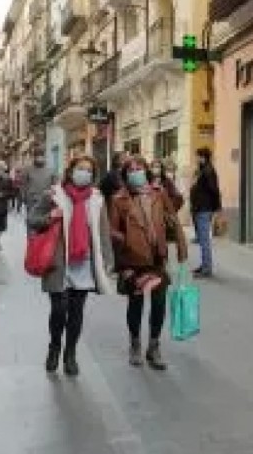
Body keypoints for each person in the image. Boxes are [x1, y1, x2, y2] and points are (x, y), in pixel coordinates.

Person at [27, 155, 114, 376]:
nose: (83, 173)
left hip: (84, 263)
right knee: (59, 309)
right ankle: (54, 346)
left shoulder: (96, 198)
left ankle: (70, 354)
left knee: (76, 312)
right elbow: (32, 219)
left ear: (93, 175)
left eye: (88, 170)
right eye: (79, 168)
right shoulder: (54, 194)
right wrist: (50, 216)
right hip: (59, 262)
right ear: (70, 170)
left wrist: (108, 260)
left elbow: (103, 232)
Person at [110, 157, 187, 369]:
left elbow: (174, 213)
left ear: (146, 171)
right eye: (131, 169)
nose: (136, 172)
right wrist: (122, 252)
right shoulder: (119, 199)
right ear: (125, 174)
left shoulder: (158, 193)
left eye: (139, 168)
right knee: (136, 305)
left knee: (159, 304)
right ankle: (135, 344)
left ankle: (154, 346)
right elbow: (112, 231)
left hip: (157, 259)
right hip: (132, 260)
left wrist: (181, 247)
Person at [189, 147, 221, 277]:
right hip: (200, 208)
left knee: (204, 240)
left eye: (197, 156)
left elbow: (214, 190)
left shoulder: (208, 171)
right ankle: (204, 265)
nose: (196, 158)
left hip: (204, 208)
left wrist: (217, 208)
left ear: (203, 157)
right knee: (202, 240)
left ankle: (207, 269)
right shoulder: (202, 170)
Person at [22, 146, 57, 212]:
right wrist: (25, 198)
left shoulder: (50, 170)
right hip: (32, 203)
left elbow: (55, 186)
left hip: (46, 203)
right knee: (32, 221)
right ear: (34, 157)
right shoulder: (28, 170)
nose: (39, 158)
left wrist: (52, 195)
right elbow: (24, 186)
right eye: (37, 156)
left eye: (41, 156)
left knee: (46, 221)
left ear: (44, 156)